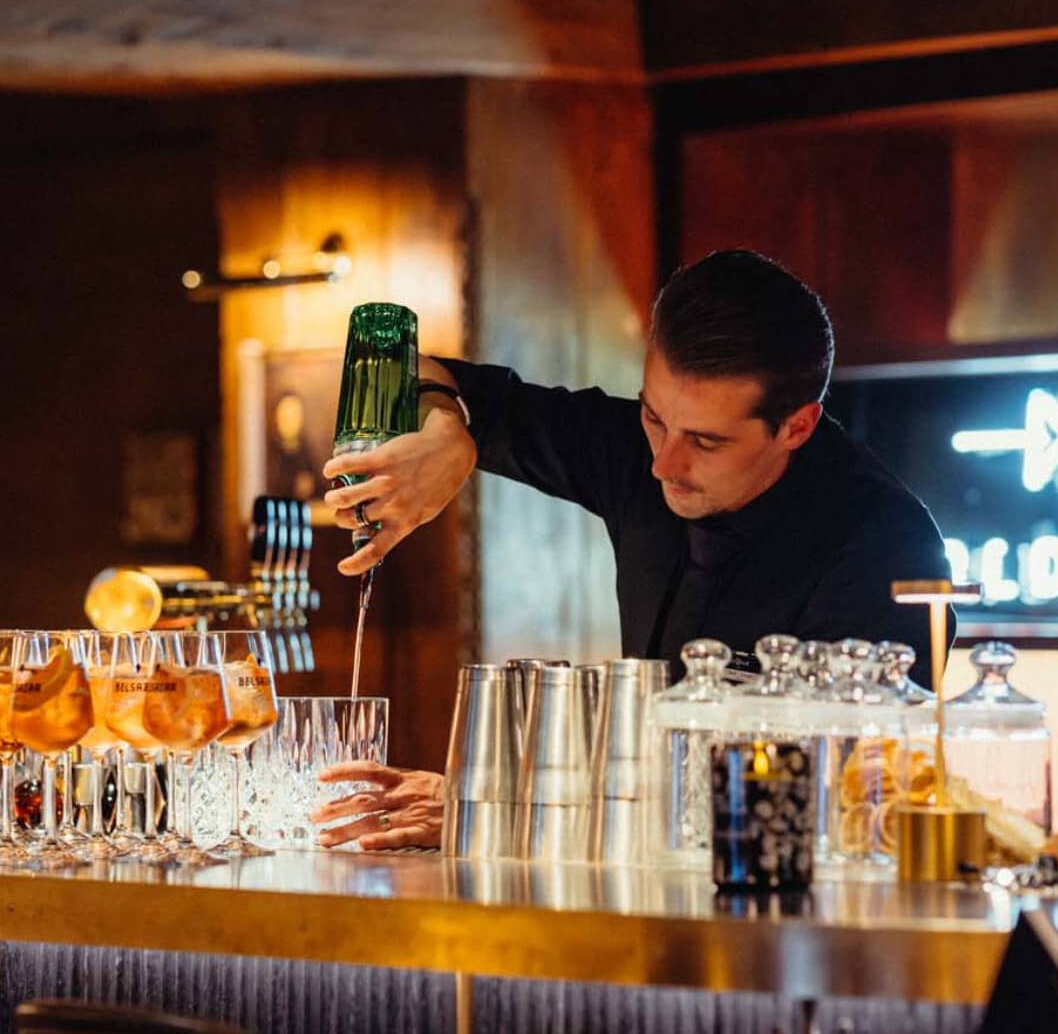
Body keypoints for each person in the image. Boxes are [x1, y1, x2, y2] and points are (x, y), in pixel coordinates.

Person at [312, 250, 953, 850]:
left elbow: (830, 802)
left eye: (704, 442)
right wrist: (450, 433)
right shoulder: (638, 450)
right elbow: (438, 376)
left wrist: (504, 805)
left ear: (797, 427)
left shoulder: (886, 550)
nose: (663, 465)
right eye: (653, 417)